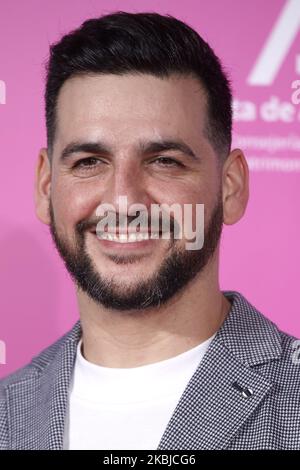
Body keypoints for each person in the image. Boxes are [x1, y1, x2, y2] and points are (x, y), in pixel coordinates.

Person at [0, 11, 299, 451]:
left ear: (230, 187)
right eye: (89, 162)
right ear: (47, 187)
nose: (124, 201)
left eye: (165, 161)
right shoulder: (8, 412)